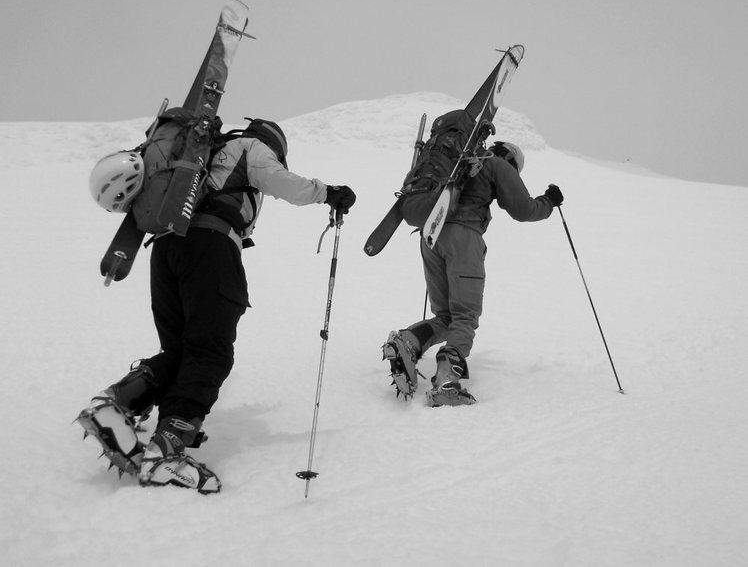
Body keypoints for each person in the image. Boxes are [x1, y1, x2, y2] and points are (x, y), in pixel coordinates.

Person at [78, 119, 356, 493]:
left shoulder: (202, 158)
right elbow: (283, 182)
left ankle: (116, 403)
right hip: (210, 245)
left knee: (181, 350)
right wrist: (329, 193)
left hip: (165, 248)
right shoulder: (250, 148)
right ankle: (166, 451)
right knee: (210, 352)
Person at [383, 126, 563, 407]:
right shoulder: (496, 164)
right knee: (465, 316)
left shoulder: (458, 161)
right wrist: (549, 202)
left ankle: (409, 341)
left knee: (447, 316)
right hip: (463, 237)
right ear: (512, 161)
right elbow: (523, 209)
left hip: (430, 236)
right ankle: (446, 383)